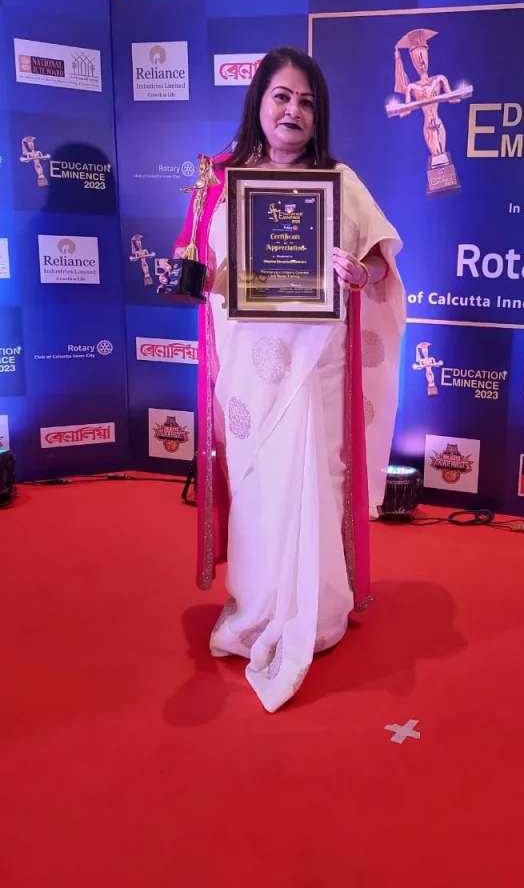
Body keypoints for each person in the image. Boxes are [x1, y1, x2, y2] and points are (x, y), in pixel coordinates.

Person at [168, 46, 405, 713]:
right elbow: (194, 263)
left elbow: (381, 263)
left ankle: (318, 612)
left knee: (313, 482)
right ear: (259, 102)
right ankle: (256, 605)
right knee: (257, 485)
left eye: (306, 101)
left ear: (318, 114)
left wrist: (361, 273)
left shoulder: (340, 182)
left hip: (316, 365)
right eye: (282, 96)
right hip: (248, 371)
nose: (293, 110)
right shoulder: (220, 181)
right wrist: (189, 274)